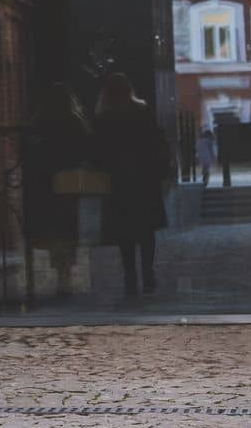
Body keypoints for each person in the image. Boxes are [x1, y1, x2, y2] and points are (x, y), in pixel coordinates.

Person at [92, 73, 169, 296]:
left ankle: (130, 275)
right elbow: (157, 142)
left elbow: (98, 152)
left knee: (124, 232)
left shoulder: (104, 117)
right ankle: (148, 273)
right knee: (146, 231)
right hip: (145, 179)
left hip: (119, 182)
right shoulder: (143, 111)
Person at [25, 84, 94, 297]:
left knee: (54, 226)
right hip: (67, 180)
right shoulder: (75, 121)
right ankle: (64, 272)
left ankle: (59, 270)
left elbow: (31, 148)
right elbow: (85, 147)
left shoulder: (40, 122)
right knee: (66, 226)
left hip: (46, 181)